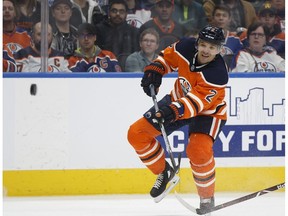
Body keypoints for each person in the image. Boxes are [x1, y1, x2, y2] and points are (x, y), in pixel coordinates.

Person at [127, 25, 228, 215]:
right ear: (198, 43)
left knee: (198, 151)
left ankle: (207, 197)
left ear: (220, 49)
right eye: (204, 45)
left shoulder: (218, 73)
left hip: (208, 113)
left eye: (212, 47)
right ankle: (164, 173)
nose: (206, 50)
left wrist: (171, 111)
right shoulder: (185, 47)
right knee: (136, 134)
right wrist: (155, 70)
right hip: (177, 101)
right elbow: (166, 58)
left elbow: (196, 104)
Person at [95, 0, 140, 70]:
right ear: (109, 12)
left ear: (126, 14)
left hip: (128, 72)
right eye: (114, 11)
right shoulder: (99, 30)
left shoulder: (134, 32)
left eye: (121, 11)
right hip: (104, 71)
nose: (118, 14)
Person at [211, 4, 243, 70]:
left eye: (224, 15)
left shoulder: (236, 40)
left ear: (229, 19)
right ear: (213, 18)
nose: (221, 18)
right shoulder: (206, 38)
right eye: (218, 15)